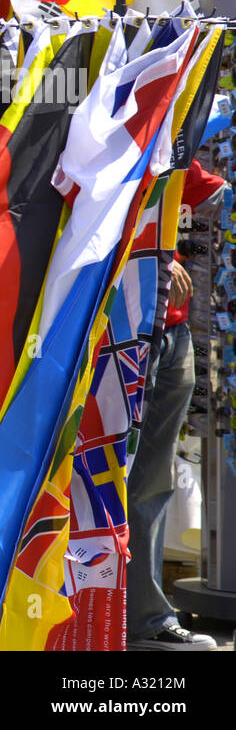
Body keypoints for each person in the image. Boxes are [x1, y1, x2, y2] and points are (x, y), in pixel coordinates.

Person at [126, 158, 227, 651]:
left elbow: (213, 191)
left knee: (151, 479)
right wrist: (159, 256)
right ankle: (112, 615)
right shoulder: (115, 129)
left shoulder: (173, 139)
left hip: (171, 333)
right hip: (119, 335)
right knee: (108, 477)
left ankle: (143, 619)